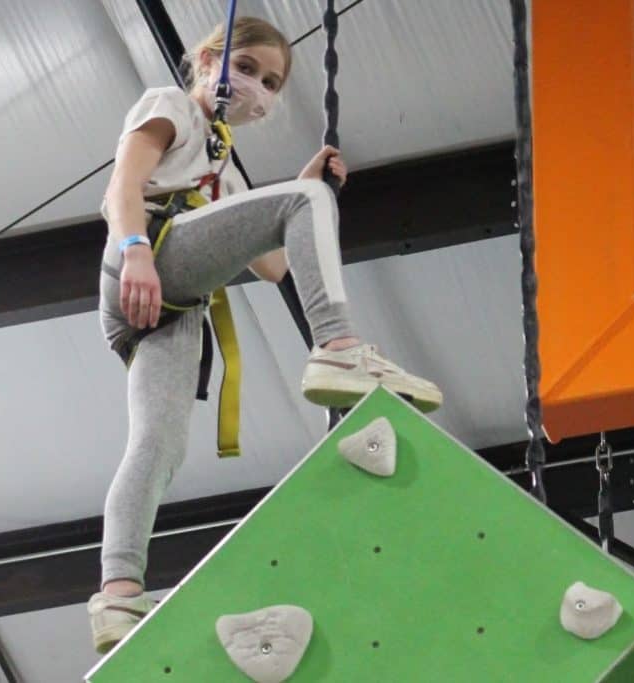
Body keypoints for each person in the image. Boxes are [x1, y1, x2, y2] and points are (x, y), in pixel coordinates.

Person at [87, 16, 441, 654]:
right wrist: (137, 250)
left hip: (174, 303)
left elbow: (273, 264)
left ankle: (118, 597)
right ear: (205, 60)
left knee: (158, 445)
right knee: (304, 206)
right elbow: (122, 188)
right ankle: (337, 348)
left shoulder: (224, 168)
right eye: (245, 68)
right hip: (148, 255)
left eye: (269, 81)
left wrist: (305, 185)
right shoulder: (172, 106)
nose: (256, 87)